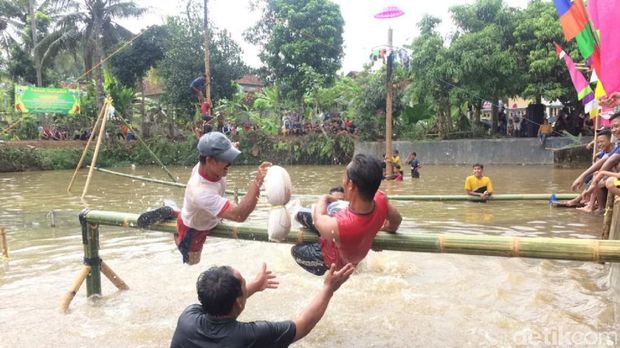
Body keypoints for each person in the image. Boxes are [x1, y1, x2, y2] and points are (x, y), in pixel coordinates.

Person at [138, 132, 271, 265]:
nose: (230, 164)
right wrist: (258, 181)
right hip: (194, 228)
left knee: (196, 212)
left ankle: (174, 210)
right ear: (210, 161)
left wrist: (231, 146)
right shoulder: (201, 191)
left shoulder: (208, 166)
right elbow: (239, 215)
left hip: (207, 215)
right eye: (226, 159)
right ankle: (174, 219)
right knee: (192, 261)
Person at [170, 262, 354, 348]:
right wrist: (329, 288)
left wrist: (254, 287)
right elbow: (303, 325)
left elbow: (220, 302)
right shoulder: (249, 336)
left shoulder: (188, 318)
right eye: (244, 283)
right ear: (239, 301)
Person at [291, 154, 402, 275]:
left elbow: (319, 220)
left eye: (345, 176)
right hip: (345, 239)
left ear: (351, 185)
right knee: (300, 215)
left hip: (332, 261)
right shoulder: (381, 199)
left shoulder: (342, 225)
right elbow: (397, 220)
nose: (342, 181)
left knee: (295, 250)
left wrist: (324, 197)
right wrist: (380, 229)